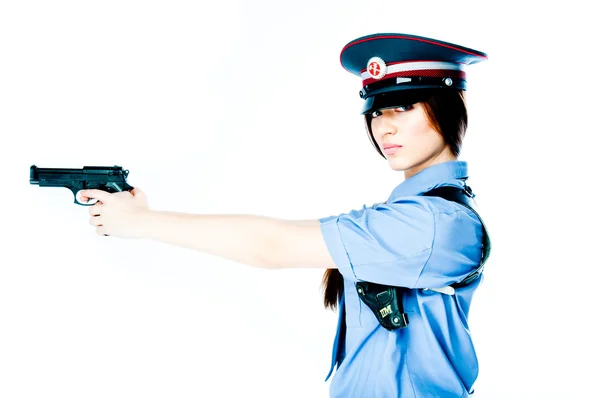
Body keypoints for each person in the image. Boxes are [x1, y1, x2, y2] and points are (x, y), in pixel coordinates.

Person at [79, 33, 490, 397]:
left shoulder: (434, 224)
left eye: (402, 107)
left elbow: (270, 246)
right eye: (376, 112)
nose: (384, 128)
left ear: (454, 106)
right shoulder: (409, 212)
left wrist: (141, 223)